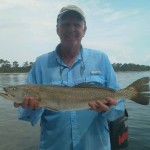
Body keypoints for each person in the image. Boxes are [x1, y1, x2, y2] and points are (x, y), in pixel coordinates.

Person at [15, 5, 125, 150]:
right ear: (57, 29)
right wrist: (31, 108)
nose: (71, 29)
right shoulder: (41, 63)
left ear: (84, 30)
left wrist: (109, 108)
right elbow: (26, 115)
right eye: (65, 24)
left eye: (77, 25)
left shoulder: (101, 59)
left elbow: (120, 107)